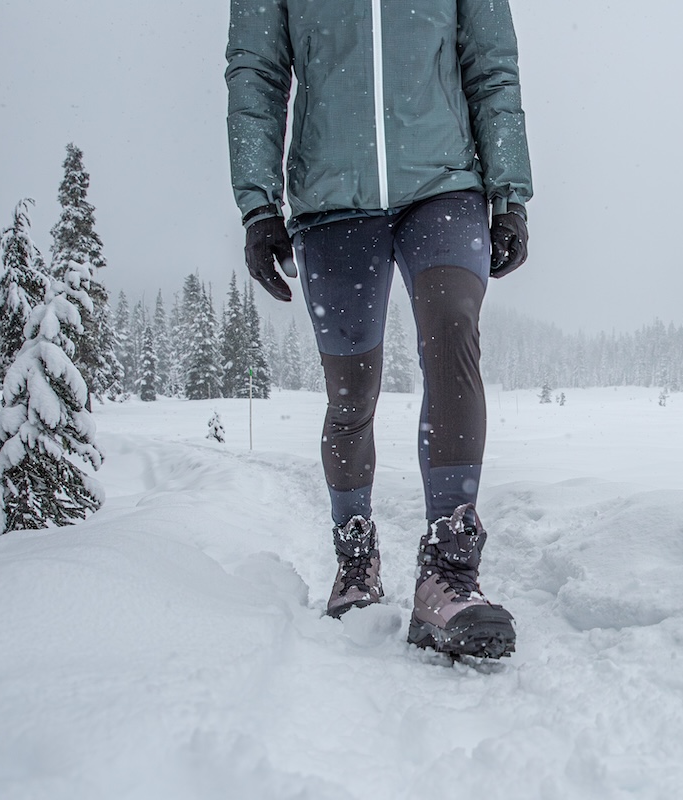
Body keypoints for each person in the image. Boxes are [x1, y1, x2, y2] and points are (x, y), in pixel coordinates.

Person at [225, 0, 532, 659]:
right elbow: (256, 71)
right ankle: (356, 553)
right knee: (351, 393)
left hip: (445, 186)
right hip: (333, 201)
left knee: (453, 330)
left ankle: (448, 571)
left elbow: (491, 65)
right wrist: (257, 204)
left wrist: (509, 190)